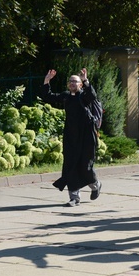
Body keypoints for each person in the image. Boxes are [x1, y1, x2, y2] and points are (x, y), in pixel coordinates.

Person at [40, 68, 101, 207]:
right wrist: (47, 80)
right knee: (70, 165)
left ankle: (96, 185)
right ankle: (74, 197)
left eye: (76, 81)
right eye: (71, 81)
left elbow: (92, 95)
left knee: (86, 166)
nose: (73, 83)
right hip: (71, 136)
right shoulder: (66, 96)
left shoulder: (84, 96)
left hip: (86, 136)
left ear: (80, 85)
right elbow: (48, 96)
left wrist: (86, 80)